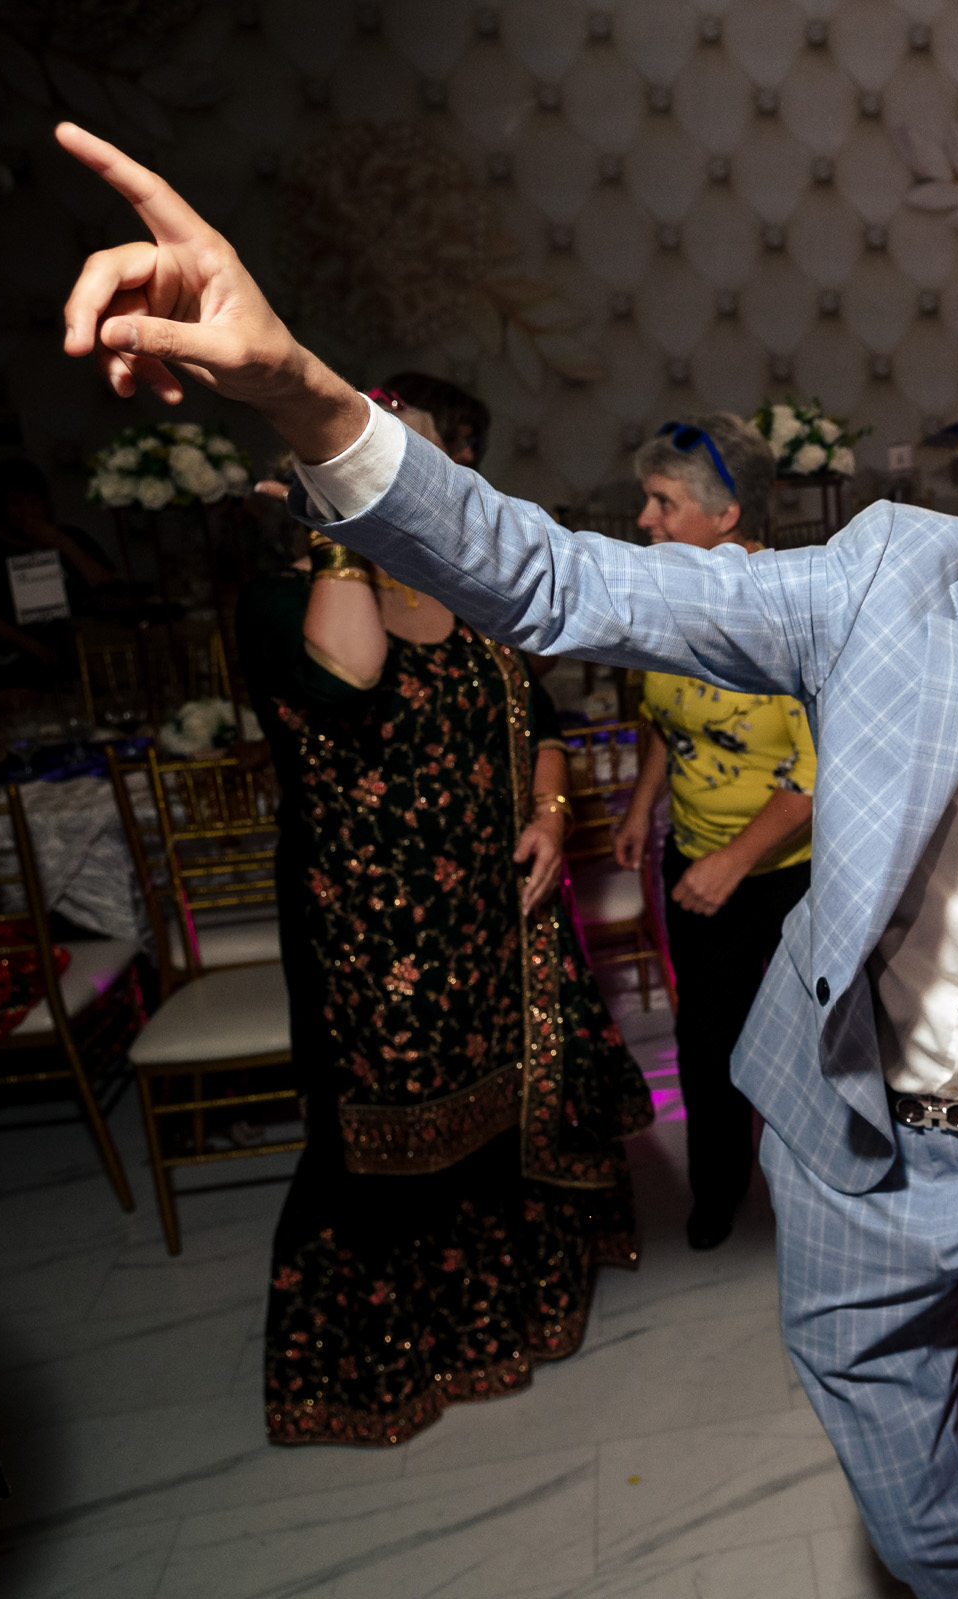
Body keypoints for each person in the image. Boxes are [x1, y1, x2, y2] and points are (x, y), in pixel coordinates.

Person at [49, 123, 958, 1593]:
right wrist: (304, 395)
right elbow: (559, 578)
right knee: (925, 1536)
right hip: (850, 1143)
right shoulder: (880, 588)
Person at [238, 441, 652, 1446]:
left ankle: (519, 1312)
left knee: (514, 1109)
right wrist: (340, 532)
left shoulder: (454, 585)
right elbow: (349, 678)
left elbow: (540, 715)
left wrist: (552, 816)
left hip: (498, 918)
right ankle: (390, 1363)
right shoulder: (278, 599)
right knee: (389, 1144)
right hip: (374, 940)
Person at [611, 412, 817, 1251]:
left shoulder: (792, 610)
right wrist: (640, 803)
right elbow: (665, 717)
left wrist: (733, 862)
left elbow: (821, 768)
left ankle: (824, 1201)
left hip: (794, 868)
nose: (644, 520)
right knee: (707, 1040)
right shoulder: (673, 599)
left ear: (726, 515)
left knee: (814, 1047)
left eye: (662, 502)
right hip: (694, 855)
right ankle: (717, 1186)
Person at [0, 457, 119, 690]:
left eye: (33, 502)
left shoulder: (71, 538)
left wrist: (62, 544)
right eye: (15, 504)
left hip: (85, 657)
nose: (27, 512)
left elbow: (109, 587)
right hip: (15, 666)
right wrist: (41, 651)